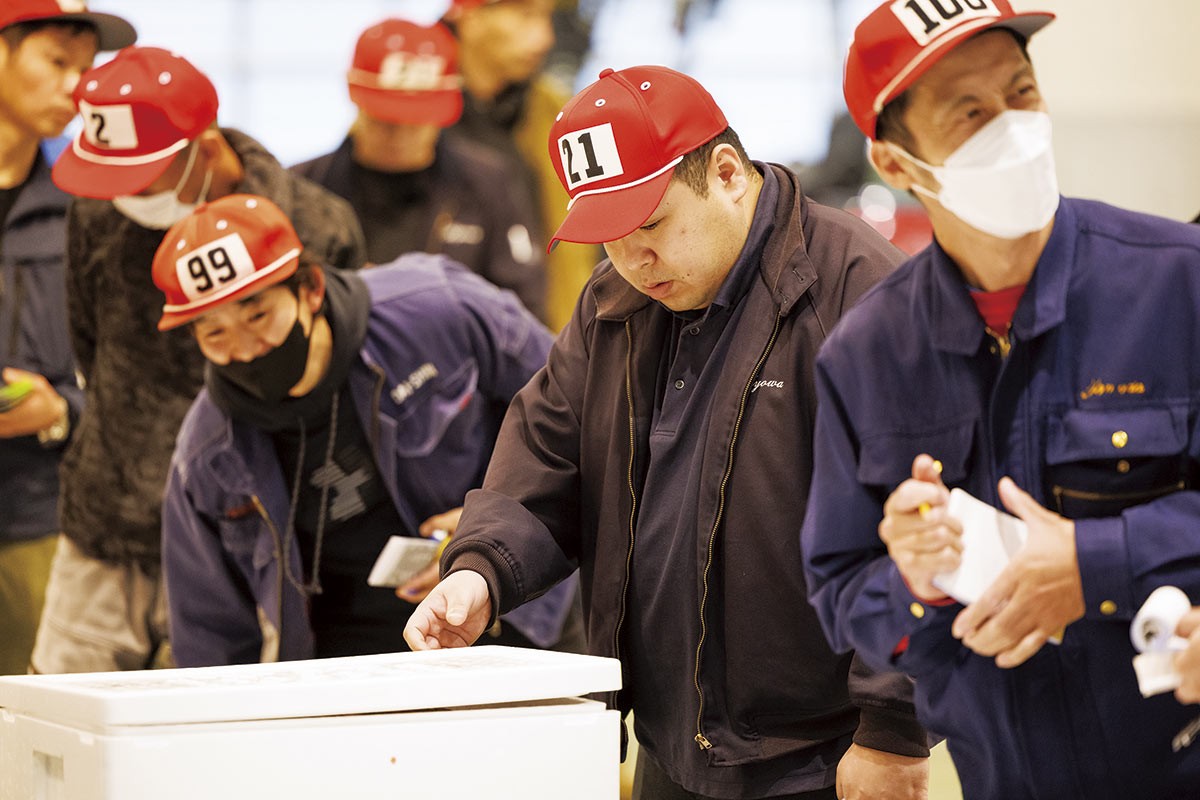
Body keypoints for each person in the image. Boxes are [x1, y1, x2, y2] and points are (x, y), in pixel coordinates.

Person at [405, 65, 930, 800]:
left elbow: (922, 525)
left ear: (726, 173)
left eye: (650, 225)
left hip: (821, 757)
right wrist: (479, 572)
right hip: (670, 747)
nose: (631, 259)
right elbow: (547, 458)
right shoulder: (614, 305)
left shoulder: (860, 292)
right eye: (607, 236)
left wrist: (893, 729)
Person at [800, 2, 1200, 798]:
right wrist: (912, 580)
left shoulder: (1177, 282)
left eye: (1022, 93)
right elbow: (842, 591)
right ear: (897, 164)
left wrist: (1097, 565)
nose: (1014, 127)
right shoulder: (867, 353)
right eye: (972, 112)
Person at [30, 46, 367, 674]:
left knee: (230, 745)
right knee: (56, 734)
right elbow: (89, 352)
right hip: (108, 530)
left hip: (254, 539)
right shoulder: (99, 211)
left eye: (141, 174)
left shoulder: (317, 225)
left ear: (203, 147)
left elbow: (340, 384)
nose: (124, 192)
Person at [152, 194, 578, 665]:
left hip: (518, 605)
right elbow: (209, 637)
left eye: (258, 316)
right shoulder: (207, 455)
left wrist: (497, 520)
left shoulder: (435, 308)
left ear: (310, 289)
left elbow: (570, 411)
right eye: (215, 334)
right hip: (351, 661)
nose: (248, 349)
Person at [0, 0, 134, 675]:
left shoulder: (86, 211)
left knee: (29, 725)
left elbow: (123, 368)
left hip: (39, 516)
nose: (77, 88)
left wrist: (58, 411)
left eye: (87, 70)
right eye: (56, 63)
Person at [292, 17, 547, 321]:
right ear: (352, 91)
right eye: (385, 119)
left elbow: (524, 310)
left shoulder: (491, 182)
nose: (401, 133)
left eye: (417, 120)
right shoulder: (301, 190)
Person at [442, 0, 598, 331]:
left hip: (547, 348)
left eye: (545, 17)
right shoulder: (404, 117)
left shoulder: (559, 113)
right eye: (525, 14)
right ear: (470, 16)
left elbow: (585, 249)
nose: (545, 39)